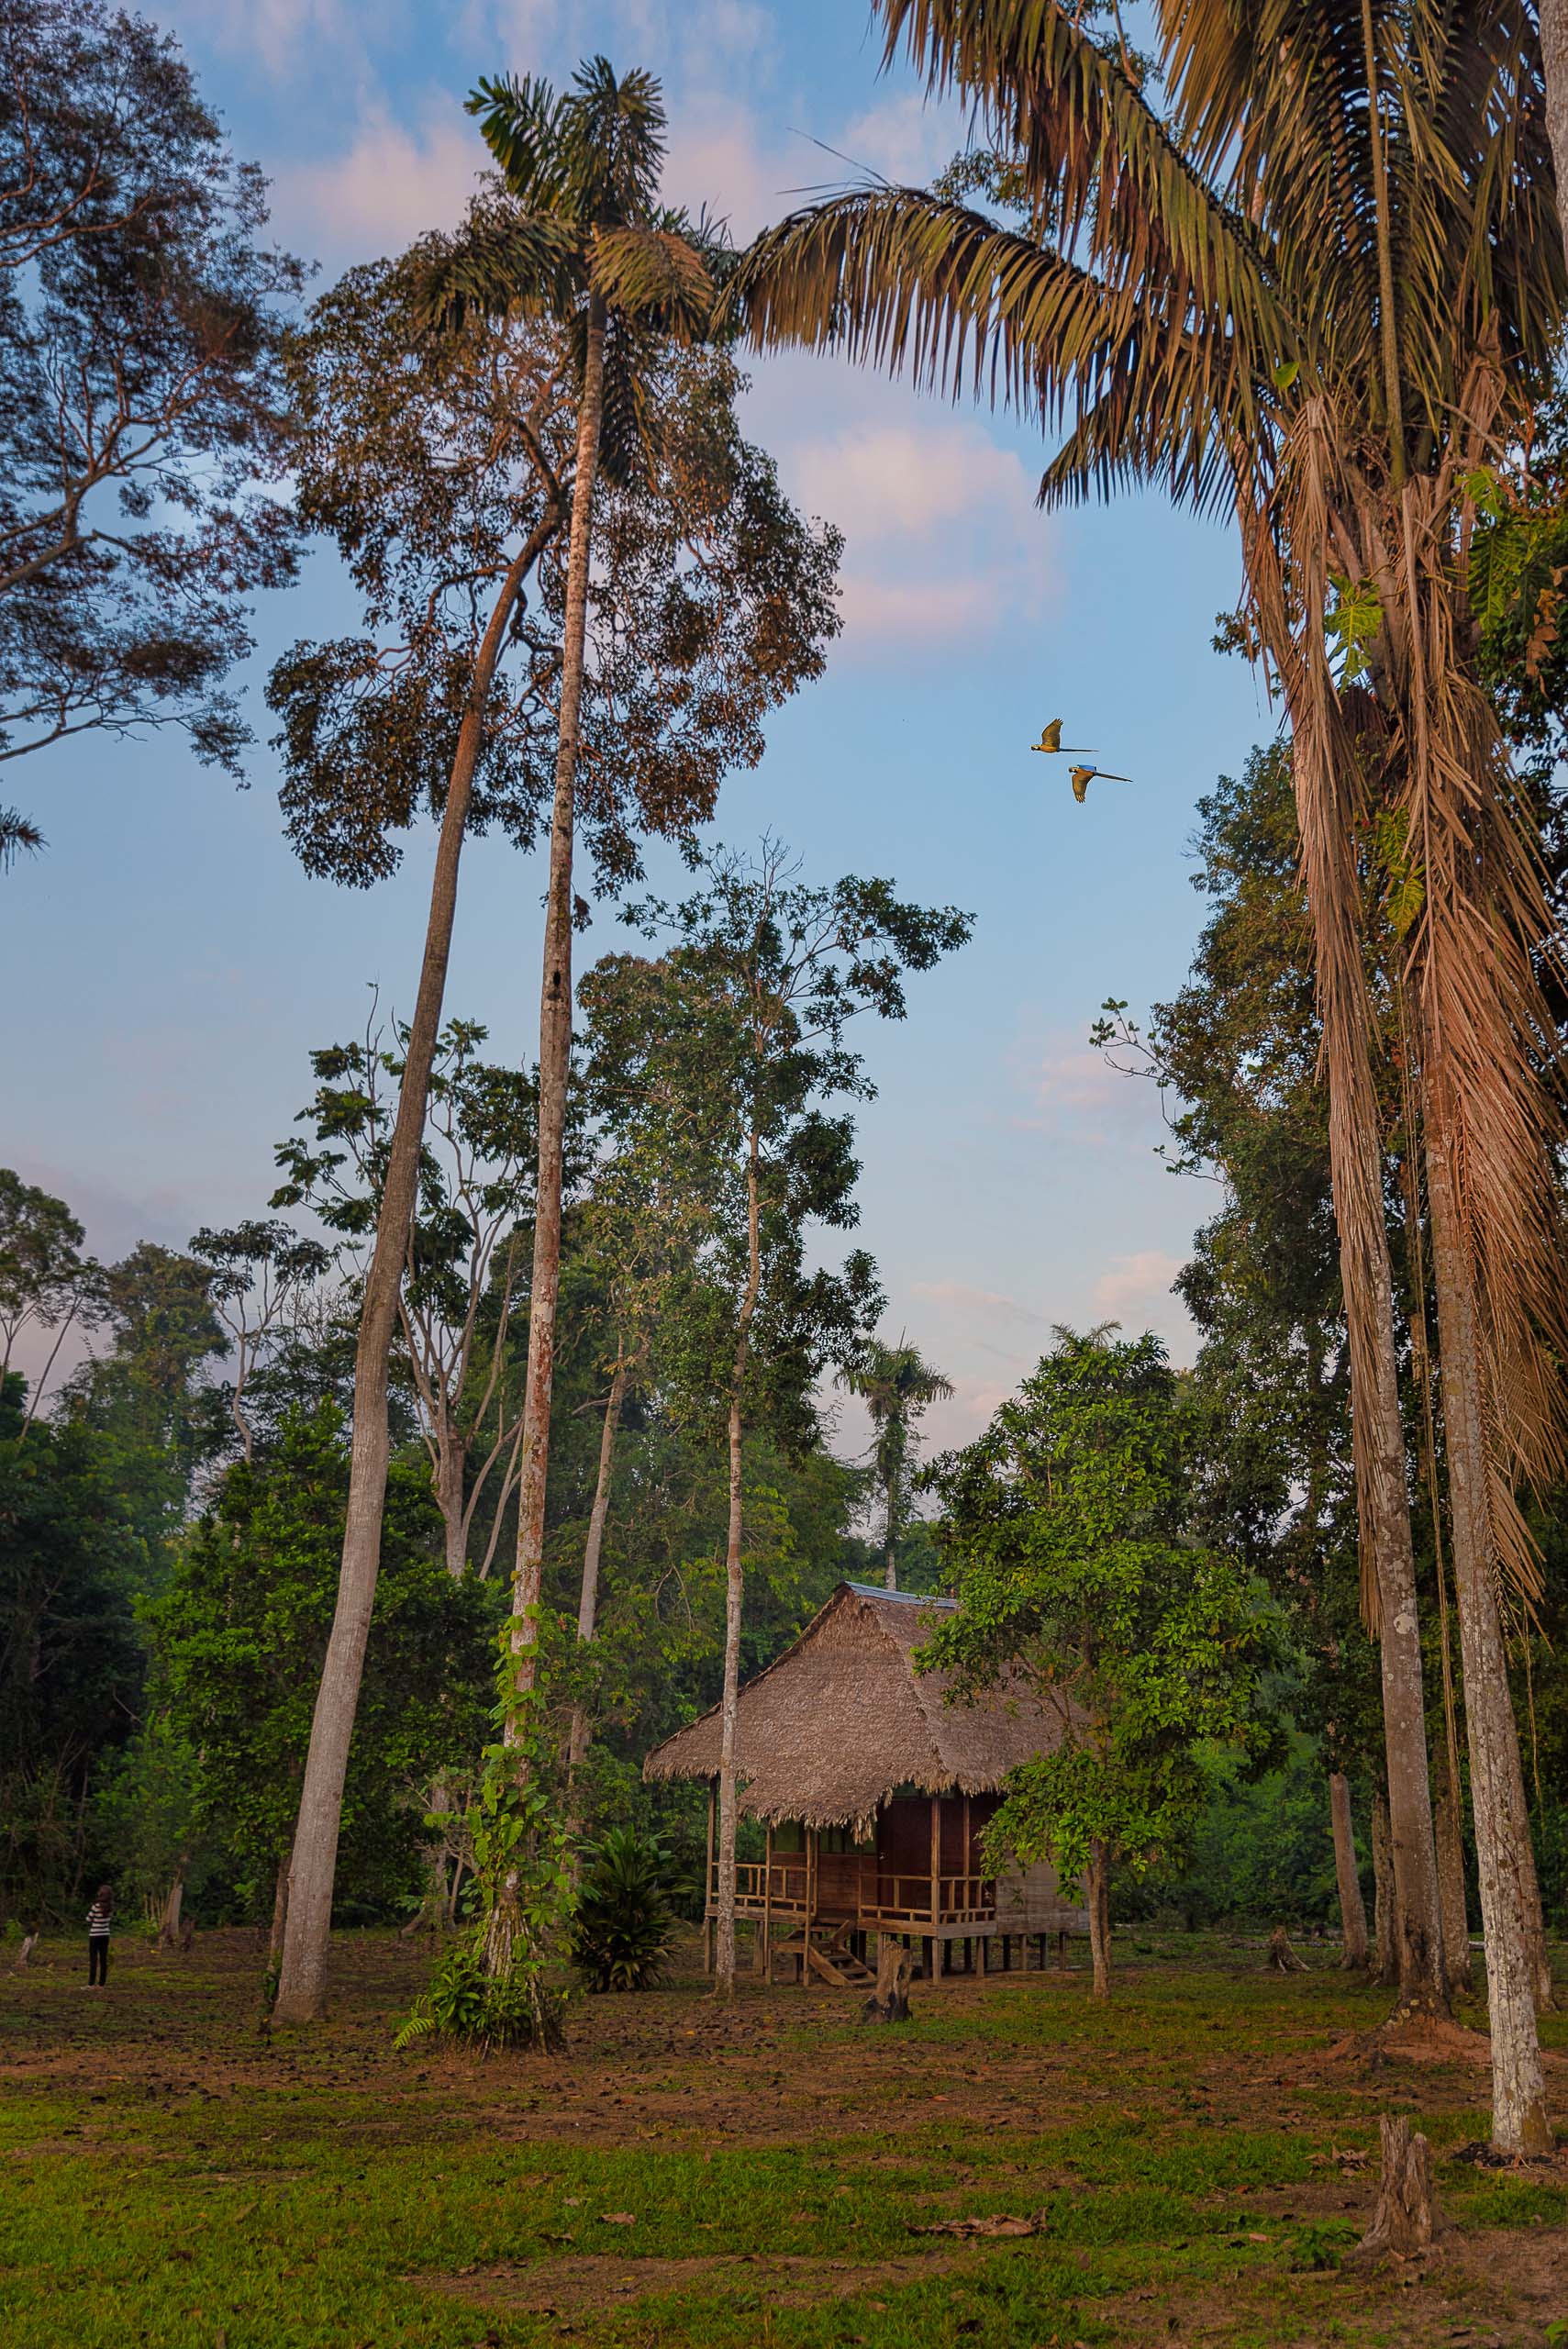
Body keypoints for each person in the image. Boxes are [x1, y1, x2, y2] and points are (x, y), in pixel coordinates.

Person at [86, 1884, 114, 1987]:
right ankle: (101, 1984)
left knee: (93, 1960)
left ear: (101, 1894)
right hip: (105, 1935)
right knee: (103, 1960)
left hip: (94, 1935)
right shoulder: (110, 1907)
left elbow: (88, 1919)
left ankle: (91, 1984)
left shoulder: (96, 1906)